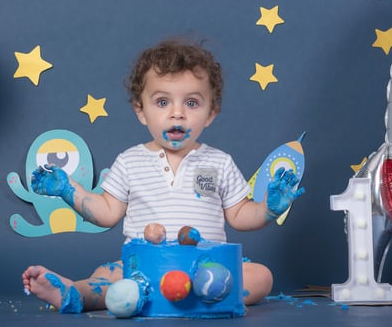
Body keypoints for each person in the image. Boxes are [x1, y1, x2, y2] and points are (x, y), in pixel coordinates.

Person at [22, 39, 304, 313]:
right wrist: (68, 189)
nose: (177, 114)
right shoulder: (130, 161)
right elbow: (106, 213)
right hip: (143, 267)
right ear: (140, 111)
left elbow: (241, 215)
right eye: (162, 102)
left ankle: (187, 296)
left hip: (204, 268)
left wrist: (268, 208)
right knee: (107, 276)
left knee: (260, 276)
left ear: (211, 114)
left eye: (192, 103)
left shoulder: (220, 162)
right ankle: (76, 293)